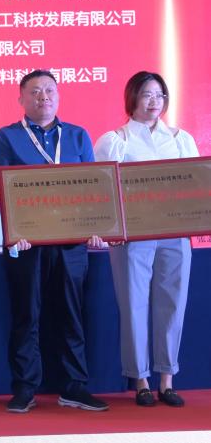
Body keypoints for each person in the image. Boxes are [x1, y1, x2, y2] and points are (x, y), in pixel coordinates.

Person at [0, 69, 109, 413]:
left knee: (71, 314)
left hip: (71, 243)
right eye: (35, 91)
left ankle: (74, 386)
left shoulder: (77, 135)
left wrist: (96, 225)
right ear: (21, 99)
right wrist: (16, 230)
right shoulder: (7, 137)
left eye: (50, 90)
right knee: (27, 314)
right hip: (28, 243)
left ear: (58, 96)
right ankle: (25, 387)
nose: (44, 97)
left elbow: (92, 187)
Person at [94, 71, 196, 408]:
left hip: (174, 233)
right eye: (147, 94)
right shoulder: (114, 140)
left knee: (173, 305)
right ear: (132, 98)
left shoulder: (181, 139)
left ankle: (167, 379)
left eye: (159, 95)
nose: (154, 102)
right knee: (133, 305)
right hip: (132, 236)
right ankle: (140, 380)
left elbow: (196, 186)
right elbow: (103, 192)